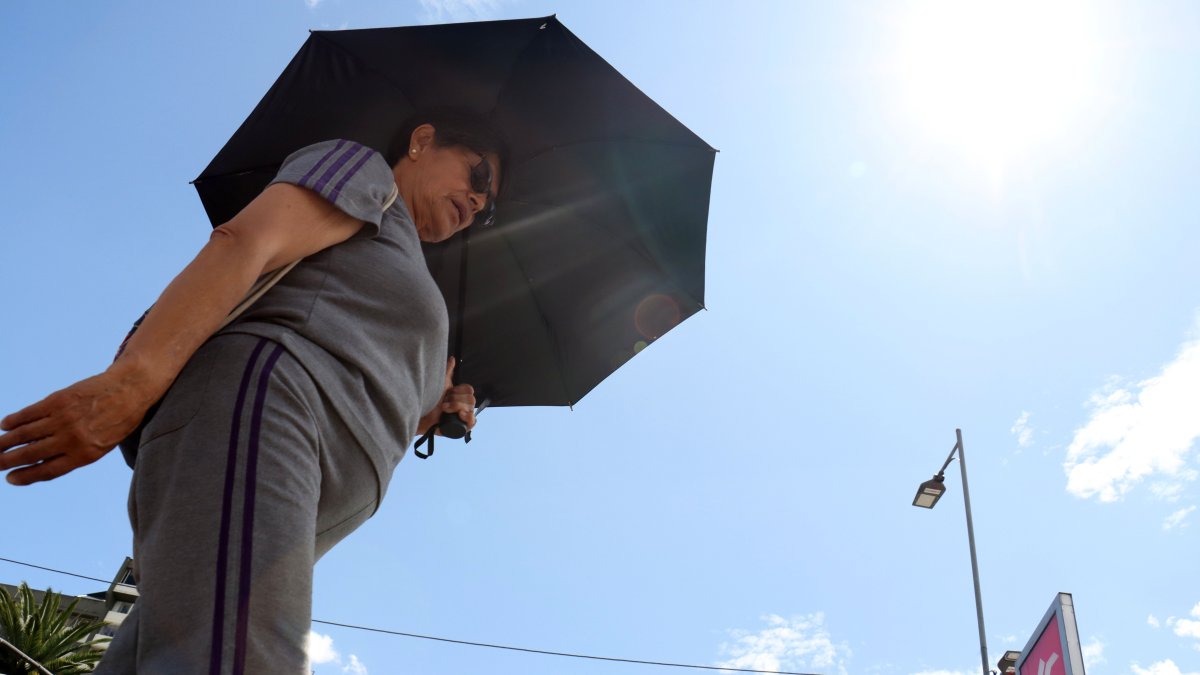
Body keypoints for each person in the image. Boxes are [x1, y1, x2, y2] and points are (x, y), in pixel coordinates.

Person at [0, 109, 505, 673]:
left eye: (488, 209)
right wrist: (133, 379)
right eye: (478, 177)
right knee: (242, 657)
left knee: (171, 656)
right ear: (422, 140)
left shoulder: (412, 272)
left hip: (310, 499)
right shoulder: (364, 172)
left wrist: (435, 408)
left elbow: (380, 402)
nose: (478, 203)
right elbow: (248, 241)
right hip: (267, 412)